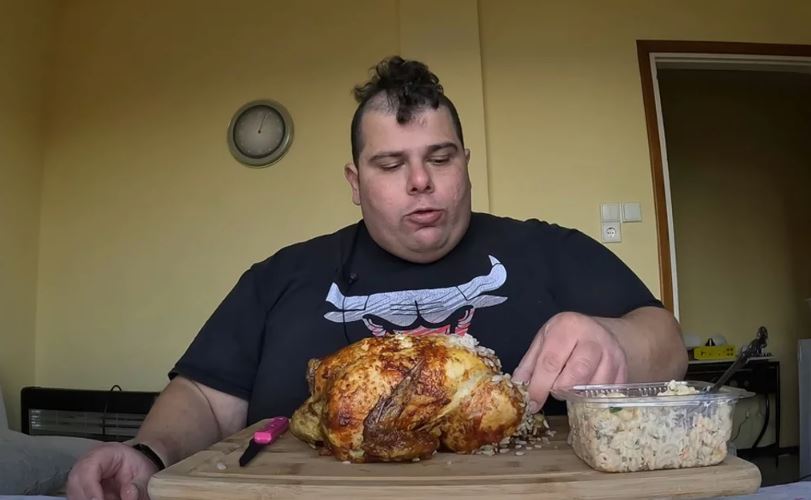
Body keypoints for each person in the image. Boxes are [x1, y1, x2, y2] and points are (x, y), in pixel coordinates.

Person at [67, 56, 686, 500]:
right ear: (355, 181)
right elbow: (204, 397)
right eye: (390, 165)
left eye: (440, 158)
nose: (420, 182)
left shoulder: (549, 249)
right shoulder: (282, 274)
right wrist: (148, 453)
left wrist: (619, 341)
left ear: (466, 165)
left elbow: (667, 343)